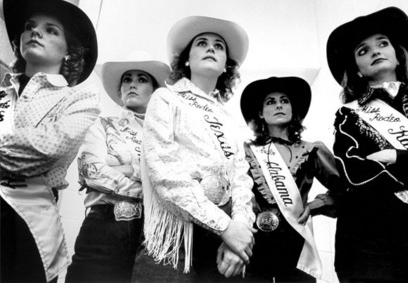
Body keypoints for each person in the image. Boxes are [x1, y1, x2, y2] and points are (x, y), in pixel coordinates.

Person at [326, 7, 408, 283]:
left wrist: (395, 157)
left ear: (398, 54)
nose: (375, 51)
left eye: (383, 43)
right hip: (369, 239)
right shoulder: (349, 115)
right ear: (356, 70)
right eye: (363, 50)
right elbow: (354, 173)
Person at [132, 16, 256, 282]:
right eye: (202, 43)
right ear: (186, 60)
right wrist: (226, 227)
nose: (211, 48)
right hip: (173, 243)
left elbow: (242, 181)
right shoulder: (166, 98)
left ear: (226, 66)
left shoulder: (231, 120)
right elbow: (164, 172)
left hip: (224, 249)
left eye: (219, 46)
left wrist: (239, 232)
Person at [0, 0, 99, 283]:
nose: (35, 32)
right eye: (29, 27)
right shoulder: (2, 92)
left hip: (30, 230)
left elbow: (46, 151)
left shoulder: (79, 99)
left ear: (69, 50)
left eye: (50, 30)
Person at [65, 54, 170, 283]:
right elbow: (91, 172)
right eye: (126, 80)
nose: (132, 84)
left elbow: (174, 182)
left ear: (154, 91)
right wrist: (146, 184)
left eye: (141, 79)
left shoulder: (166, 138)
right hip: (106, 226)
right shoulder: (102, 123)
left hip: (154, 232)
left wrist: (122, 168)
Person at [240, 76, 344, 282]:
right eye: (270, 102)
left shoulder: (311, 149)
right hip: (253, 243)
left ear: (293, 109)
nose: (279, 105)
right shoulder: (246, 151)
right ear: (260, 113)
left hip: (296, 244)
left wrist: (316, 205)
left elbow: (345, 188)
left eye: (284, 100)